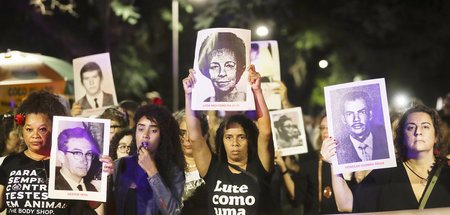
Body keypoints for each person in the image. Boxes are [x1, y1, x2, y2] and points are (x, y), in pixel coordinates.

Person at [0, 90, 114, 215]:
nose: (35, 135)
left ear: (53, 128)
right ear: (22, 129)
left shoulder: (68, 167)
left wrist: (105, 178)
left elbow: (95, 208)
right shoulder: (10, 163)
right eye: (29, 129)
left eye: (42, 129)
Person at [183, 65, 276, 214]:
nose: (234, 143)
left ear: (250, 139)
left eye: (241, 137)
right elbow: (195, 137)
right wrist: (189, 95)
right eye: (228, 137)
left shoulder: (260, 167)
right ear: (222, 140)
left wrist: (256, 91)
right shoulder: (213, 169)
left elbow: (265, 132)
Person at [321, 104, 450, 212]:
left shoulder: (447, 175)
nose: (418, 131)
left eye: (425, 126)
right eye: (410, 127)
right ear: (401, 136)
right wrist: (335, 163)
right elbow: (346, 204)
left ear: (436, 136)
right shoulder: (385, 174)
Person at [111, 104, 185, 215]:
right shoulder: (120, 165)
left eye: (153, 130)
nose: (145, 135)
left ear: (163, 136)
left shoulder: (173, 171)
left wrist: (152, 172)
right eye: (141, 129)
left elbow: (172, 211)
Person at [336, 91, 389, 164]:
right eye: (350, 114)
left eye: (361, 112)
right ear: (343, 119)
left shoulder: (387, 143)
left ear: (370, 115)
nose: (356, 119)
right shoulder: (338, 151)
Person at [173, 109, 210, 214]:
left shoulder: (216, 166)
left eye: (193, 132)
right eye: (182, 133)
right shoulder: (168, 167)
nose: (187, 138)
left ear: (205, 135)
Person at [198, 32, 247, 102]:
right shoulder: (206, 103)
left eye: (229, 66)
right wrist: (188, 94)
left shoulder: (250, 101)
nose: (222, 73)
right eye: (214, 67)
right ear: (206, 71)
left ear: (241, 69)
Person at [55, 127, 101, 191]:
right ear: (61, 157)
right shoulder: (52, 188)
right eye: (77, 153)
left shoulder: (92, 189)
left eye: (88, 154)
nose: (85, 161)